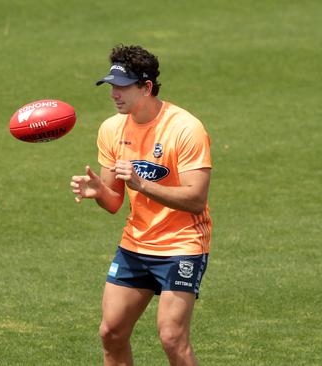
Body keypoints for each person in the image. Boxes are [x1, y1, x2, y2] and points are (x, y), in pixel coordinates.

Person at [70, 44, 212, 366]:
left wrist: (142, 184)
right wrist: (98, 191)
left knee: (172, 338)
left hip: (182, 245)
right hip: (136, 243)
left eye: (122, 87)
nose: (114, 94)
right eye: (111, 86)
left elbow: (196, 198)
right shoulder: (111, 129)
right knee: (111, 332)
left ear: (146, 87)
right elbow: (114, 201)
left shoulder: (185, 129)